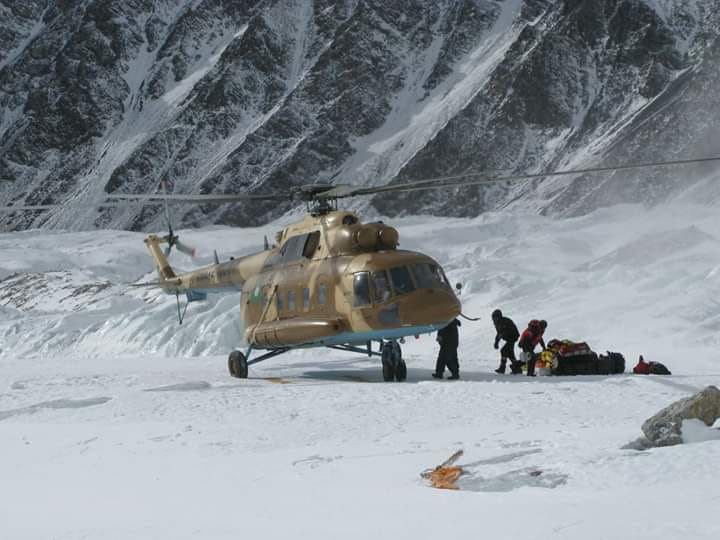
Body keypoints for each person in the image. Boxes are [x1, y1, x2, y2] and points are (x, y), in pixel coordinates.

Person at [492, 309, 520, 374]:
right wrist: (496, 342)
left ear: (499, 316)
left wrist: (504, 333)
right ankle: (517, 368)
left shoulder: (505, 321)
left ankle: (502, 368)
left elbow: (510, 330)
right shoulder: (497, 323)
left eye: (496, 317)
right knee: (510, 354)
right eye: (494, 317)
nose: (494, 319)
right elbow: (499, 333)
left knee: (504, 350)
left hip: (513, 337)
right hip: (508, 339)